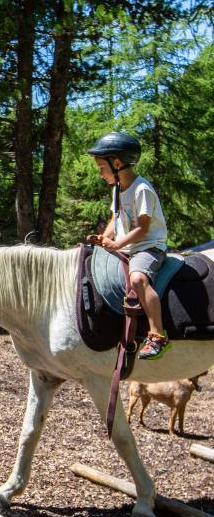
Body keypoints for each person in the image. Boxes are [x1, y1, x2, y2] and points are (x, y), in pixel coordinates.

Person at [86, 131, 171, 360]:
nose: (100, 173)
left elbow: (142, 228)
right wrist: (103, 239)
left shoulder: (142, 189)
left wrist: (116, 245)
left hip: (148, 247)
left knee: (137, 279)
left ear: (116, 163)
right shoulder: (118, 190)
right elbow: (116, 219)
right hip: (127, 246)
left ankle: (157, 335)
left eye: (102, 167)